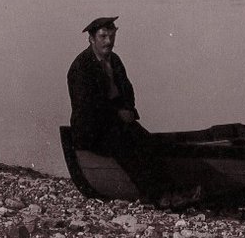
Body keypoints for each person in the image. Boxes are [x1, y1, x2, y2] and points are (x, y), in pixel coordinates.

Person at [67, 16, 170, 204]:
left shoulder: (114, 60)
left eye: (112, 36)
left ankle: (166, 190)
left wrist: (129, 110)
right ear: (91, 39)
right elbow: (88, 106)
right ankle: (154, 196)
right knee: (124, 146)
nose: (109, 41)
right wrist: (117, 114)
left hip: (115, 122)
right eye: (103, 36)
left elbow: (127, 90)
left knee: (148, 142)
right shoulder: (81, 67)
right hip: (91, 129)